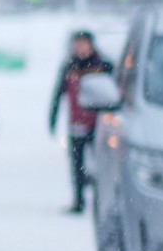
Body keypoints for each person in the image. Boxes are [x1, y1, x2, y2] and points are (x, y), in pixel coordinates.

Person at [48, 30, 114, 214]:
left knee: (102, 163)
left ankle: (103, 200)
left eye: (84, 44)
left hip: (99, 124)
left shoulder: (103, 65)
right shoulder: (69, 67)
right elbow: (58, 94)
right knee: (76, 164)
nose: (80, 48)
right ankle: (79, 200)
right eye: (77, 44)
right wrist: (52, 118)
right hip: (76, 124)